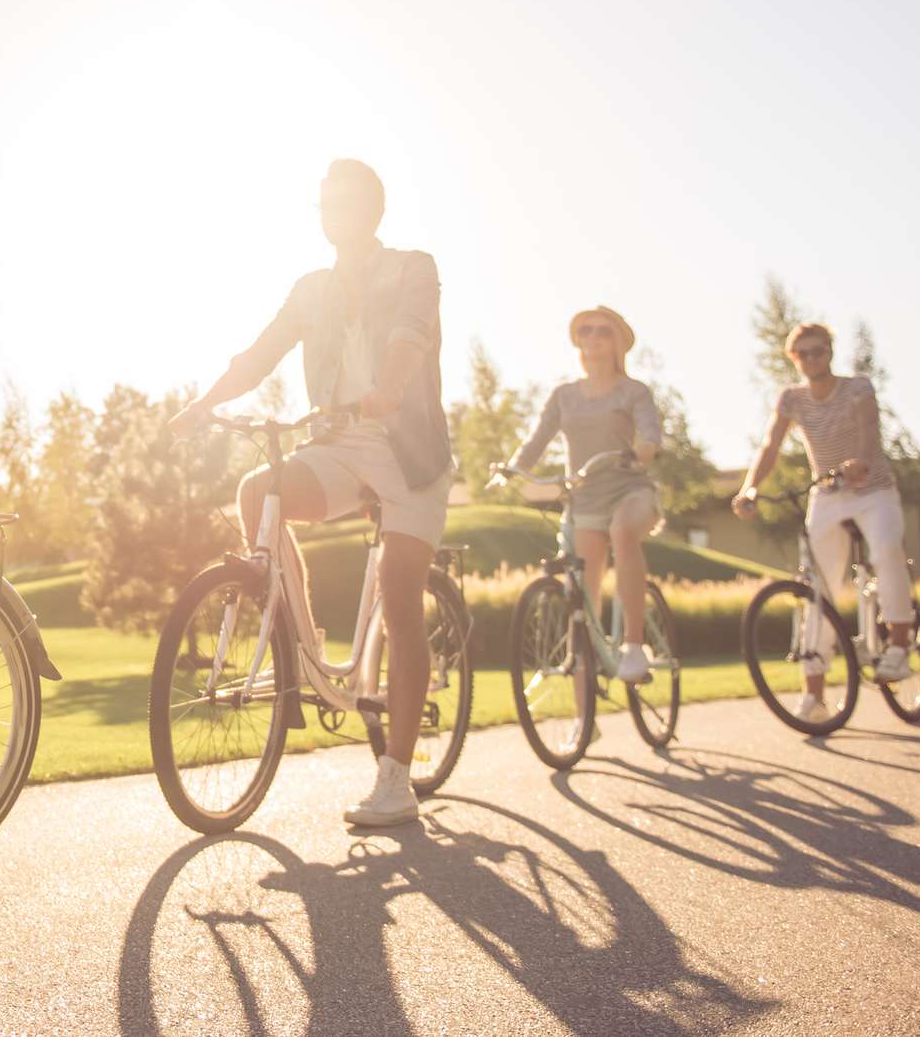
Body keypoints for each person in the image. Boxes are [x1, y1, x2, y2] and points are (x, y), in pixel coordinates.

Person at [168, 158, 454, 828]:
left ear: (374, 211)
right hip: (341, 446)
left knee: (399, 587)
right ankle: (300, 639)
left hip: (408, 453)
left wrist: (389, 385)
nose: (334, 214)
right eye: (325, 204)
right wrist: (203, 404)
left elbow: (413, 335)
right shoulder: (311, 289)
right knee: (256, 492)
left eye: (346, 203)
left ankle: (396, 779)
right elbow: (262, 352)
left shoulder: (413, 268)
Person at [732, 322, 917, 718]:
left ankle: (900, 645)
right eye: (803, 353)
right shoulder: (792, 399)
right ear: (793, 359)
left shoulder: (858, 388)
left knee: (886, 550)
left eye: (819, 351)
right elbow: (770, 444)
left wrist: (861, 462)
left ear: (830, 352)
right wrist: (750, 488)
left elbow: (869, 426)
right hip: (828, 494)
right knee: (816, 589)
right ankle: (814, 697)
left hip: (873, 490)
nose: (812, 359)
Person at [499, 306, 663, 687]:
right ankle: (582, 720)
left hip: (629, 489)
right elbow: (536, 440)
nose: (592, 337)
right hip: (585, 500)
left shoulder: (634, 391)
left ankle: (635, 647)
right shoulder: (564, 396)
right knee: (583, 603)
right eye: (584, 330)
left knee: (623, 531)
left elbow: (650, 432)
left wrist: (645, 448)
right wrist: (512, 467)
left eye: (602, 331)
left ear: (619, 341)